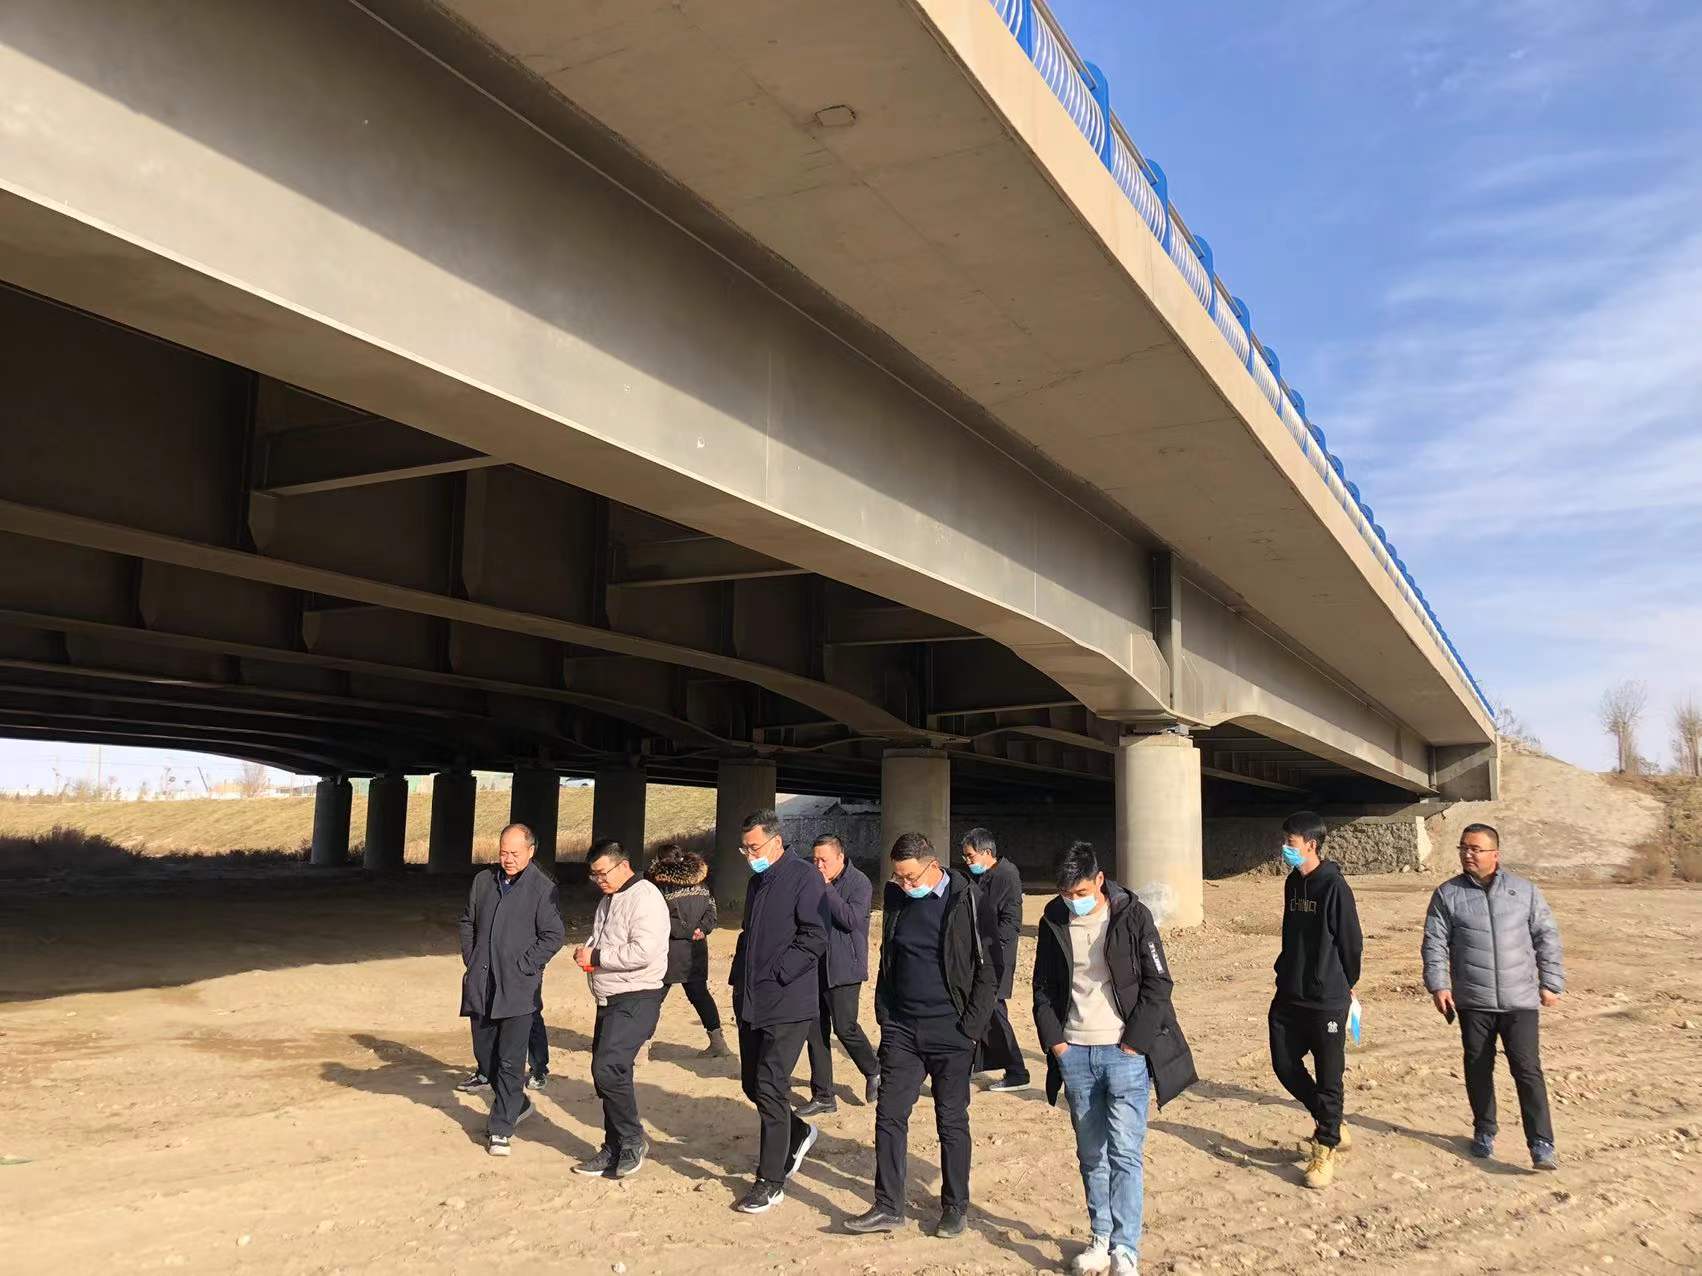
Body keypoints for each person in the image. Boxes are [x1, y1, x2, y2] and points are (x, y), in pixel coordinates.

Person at [1033, 842, 1196, 1276]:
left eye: (1082, 892)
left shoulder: (1133, 915)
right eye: (1067, 894)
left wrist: (1135, 1044)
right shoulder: (1053, 918)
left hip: (1124, 1053)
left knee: (1125, 1153)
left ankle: (1125, 1249)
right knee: (1091, 1155)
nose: (1074, 901)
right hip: (1075, 1053)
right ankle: (1100, 1239)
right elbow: (1043, 987)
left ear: (1100, 880)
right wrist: (1057, 1044)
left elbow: (1159, 983)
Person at [846, 832, 996, 1239]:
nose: (903, 883)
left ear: (933, 866)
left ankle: (955, 1208)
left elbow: (990, 969)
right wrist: (886, 1015)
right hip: (902, 1029)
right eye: (898, 876)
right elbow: (889, 955)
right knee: (889, 1114)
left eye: (910, 876)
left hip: (952, 1031)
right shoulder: (897, 896)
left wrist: (970, 1029)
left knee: (951, 1120)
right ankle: (888, 1206)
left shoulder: (968, 899)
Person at [1422, 822, 1564, 1171]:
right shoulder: (1447, 894)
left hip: (1520, 1000)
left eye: (1475, 849)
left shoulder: (1524, 891)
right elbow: (1434, 943)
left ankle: (1541, 1143)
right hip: (1473, 999)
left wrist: (1551, 982)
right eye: (1463, 848)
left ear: (1495, 854)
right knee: (1477, 1067)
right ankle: (1484, 1130)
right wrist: (1439, 985)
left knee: (1527, 1070)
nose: (1468, 854)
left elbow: (1546, 936)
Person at [729, 809, 828, 1215]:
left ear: (775, 841)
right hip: (752, 999)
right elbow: (751, 936)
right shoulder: (758, 881)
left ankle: (771, 1181)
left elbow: (815, 936)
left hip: (789, 1000)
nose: (749, 855)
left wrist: (781, 972)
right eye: (744, 849)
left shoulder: (804, 877)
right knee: (752, 1084)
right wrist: (741, 981)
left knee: (771, 1086)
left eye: (754, 847)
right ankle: (799, 1130)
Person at [457, 822, 565, 1157]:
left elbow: (553, 935)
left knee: (510, 1060)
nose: (508, 859)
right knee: (485, 1056)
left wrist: (525, 965)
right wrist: (472, 957)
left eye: (515, 853)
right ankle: (517, 1102)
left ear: (531, 851)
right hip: (482, 984)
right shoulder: (483, 881)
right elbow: (467, 921)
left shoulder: (542, 888)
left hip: (518, 989)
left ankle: (501, 1129)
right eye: (503, 852)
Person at [1268, 810, 1363, 1191]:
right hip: (1290, 993)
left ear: (1311, 845)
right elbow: (1290, 934)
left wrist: (1345, 983)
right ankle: (1332, 1122)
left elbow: (1351, 942)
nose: (1284, 848)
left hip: (1327, 998)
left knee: (1329, 1076)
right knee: (1284, 1064)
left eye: (1290, 843)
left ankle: (1325, 1146)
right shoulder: (1293, 883)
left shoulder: (1334, 886)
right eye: (1284, 841)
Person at [570, 839, 671, 1179]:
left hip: (637, 996)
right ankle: (613, 1145)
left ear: (623, 864)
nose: (599, 880)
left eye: (603, 873)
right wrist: (587, 952)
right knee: (607, 1074)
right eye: (594, 875)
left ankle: (632, 1140)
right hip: (608, 997)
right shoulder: (608, 899)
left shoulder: (646, 897)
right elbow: (601, 939)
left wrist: (597, 957)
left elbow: (644, 950)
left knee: (608, 1069)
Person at [797, 834, 880, 1116]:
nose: (818, 865)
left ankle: (873, 1069)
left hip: (845, 967)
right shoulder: (810, 879)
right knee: (814, 1031)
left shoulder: (859, 883)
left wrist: (826, 888)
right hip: (813, 966)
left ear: (840, 858)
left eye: (824, 860)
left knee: (845, 1028)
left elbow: (850, 919)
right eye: (815, 860)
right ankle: (823, 1095)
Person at [650, 842, 733, 1058]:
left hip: (667, 951)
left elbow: (657, 918)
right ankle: (718, 1043)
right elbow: (712, 912)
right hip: (695, 949)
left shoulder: (658, 886)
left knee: (653, 999)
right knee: (700, 995)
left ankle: (640, 1048)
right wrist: (702, 929)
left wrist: (683, 931)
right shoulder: (702, 883)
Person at [962, 827, 1029, 1091]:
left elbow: (1010, 921)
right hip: (982, 955)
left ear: (986, 852)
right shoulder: (982, 876)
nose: (967, 861)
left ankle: (1017, 1071)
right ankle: (972, 1064)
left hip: (996, 956)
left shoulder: (1006, 875)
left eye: (970, 856)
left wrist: (989, 951)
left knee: (994, 1011)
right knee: (982, 1009)